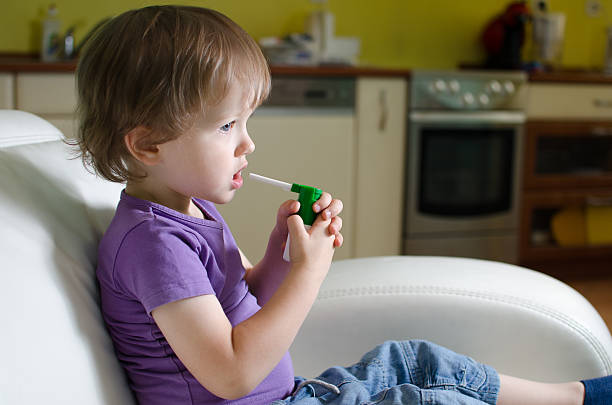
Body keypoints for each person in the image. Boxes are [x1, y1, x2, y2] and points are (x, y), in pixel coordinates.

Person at [73, 5, 608, 405]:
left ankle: (578, 397)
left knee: (410, 359)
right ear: (147, 145)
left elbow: (242, 306)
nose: (247, 144)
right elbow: (232, 372)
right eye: (227, 125)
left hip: (294, 396)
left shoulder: (189, 213)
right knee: (423, 399)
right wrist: (310, 275)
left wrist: (281, 258)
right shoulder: (154, 245)